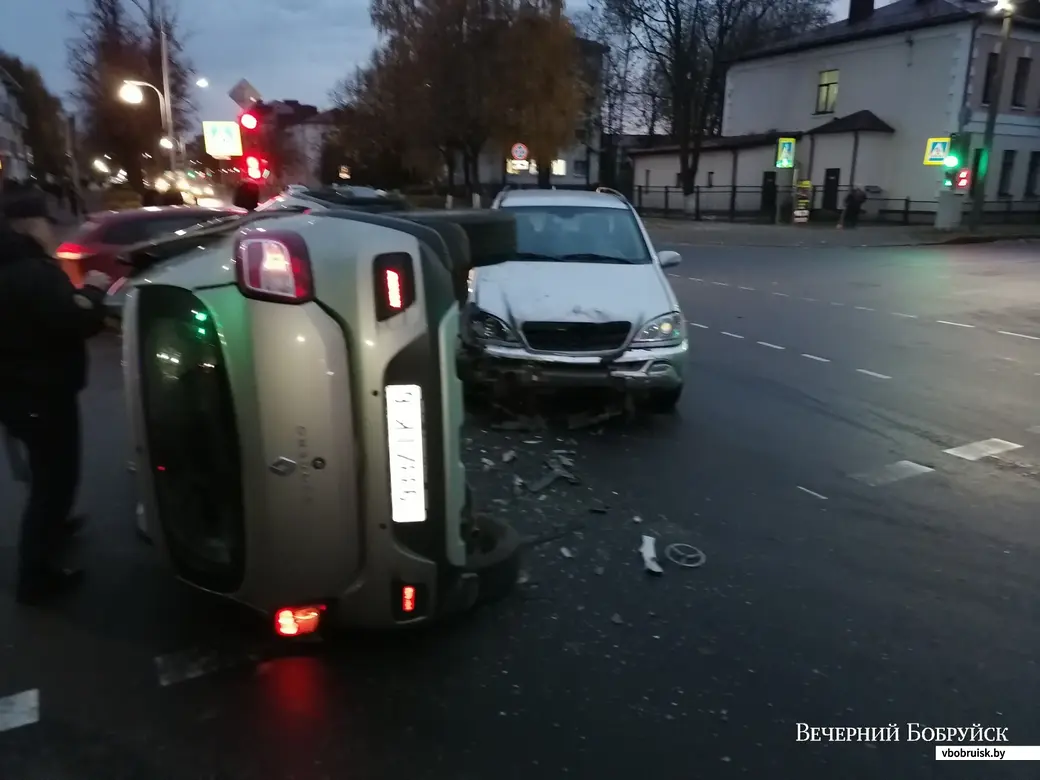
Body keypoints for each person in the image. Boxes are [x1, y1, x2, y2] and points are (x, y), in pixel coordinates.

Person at [0, 189, 111, 604]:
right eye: (45, 220)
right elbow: (75, 319)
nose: (51, 227)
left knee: (46, 478)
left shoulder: (12, 268)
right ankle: (36, 576)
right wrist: (96, 292)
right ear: (28, 224)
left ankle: (53, 529)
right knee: (54, 481)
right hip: (43, 395)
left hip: (18, 392)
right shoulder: (33, 273)